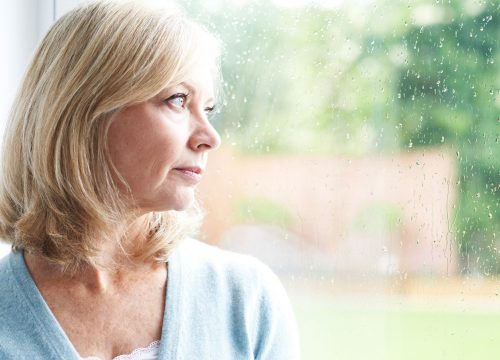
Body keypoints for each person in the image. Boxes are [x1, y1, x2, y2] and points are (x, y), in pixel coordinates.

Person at [0, 1, 300, 359]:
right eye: (177, 100)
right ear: (84, 112)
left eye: (207, 109)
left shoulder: (246, 299)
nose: (210, 137)